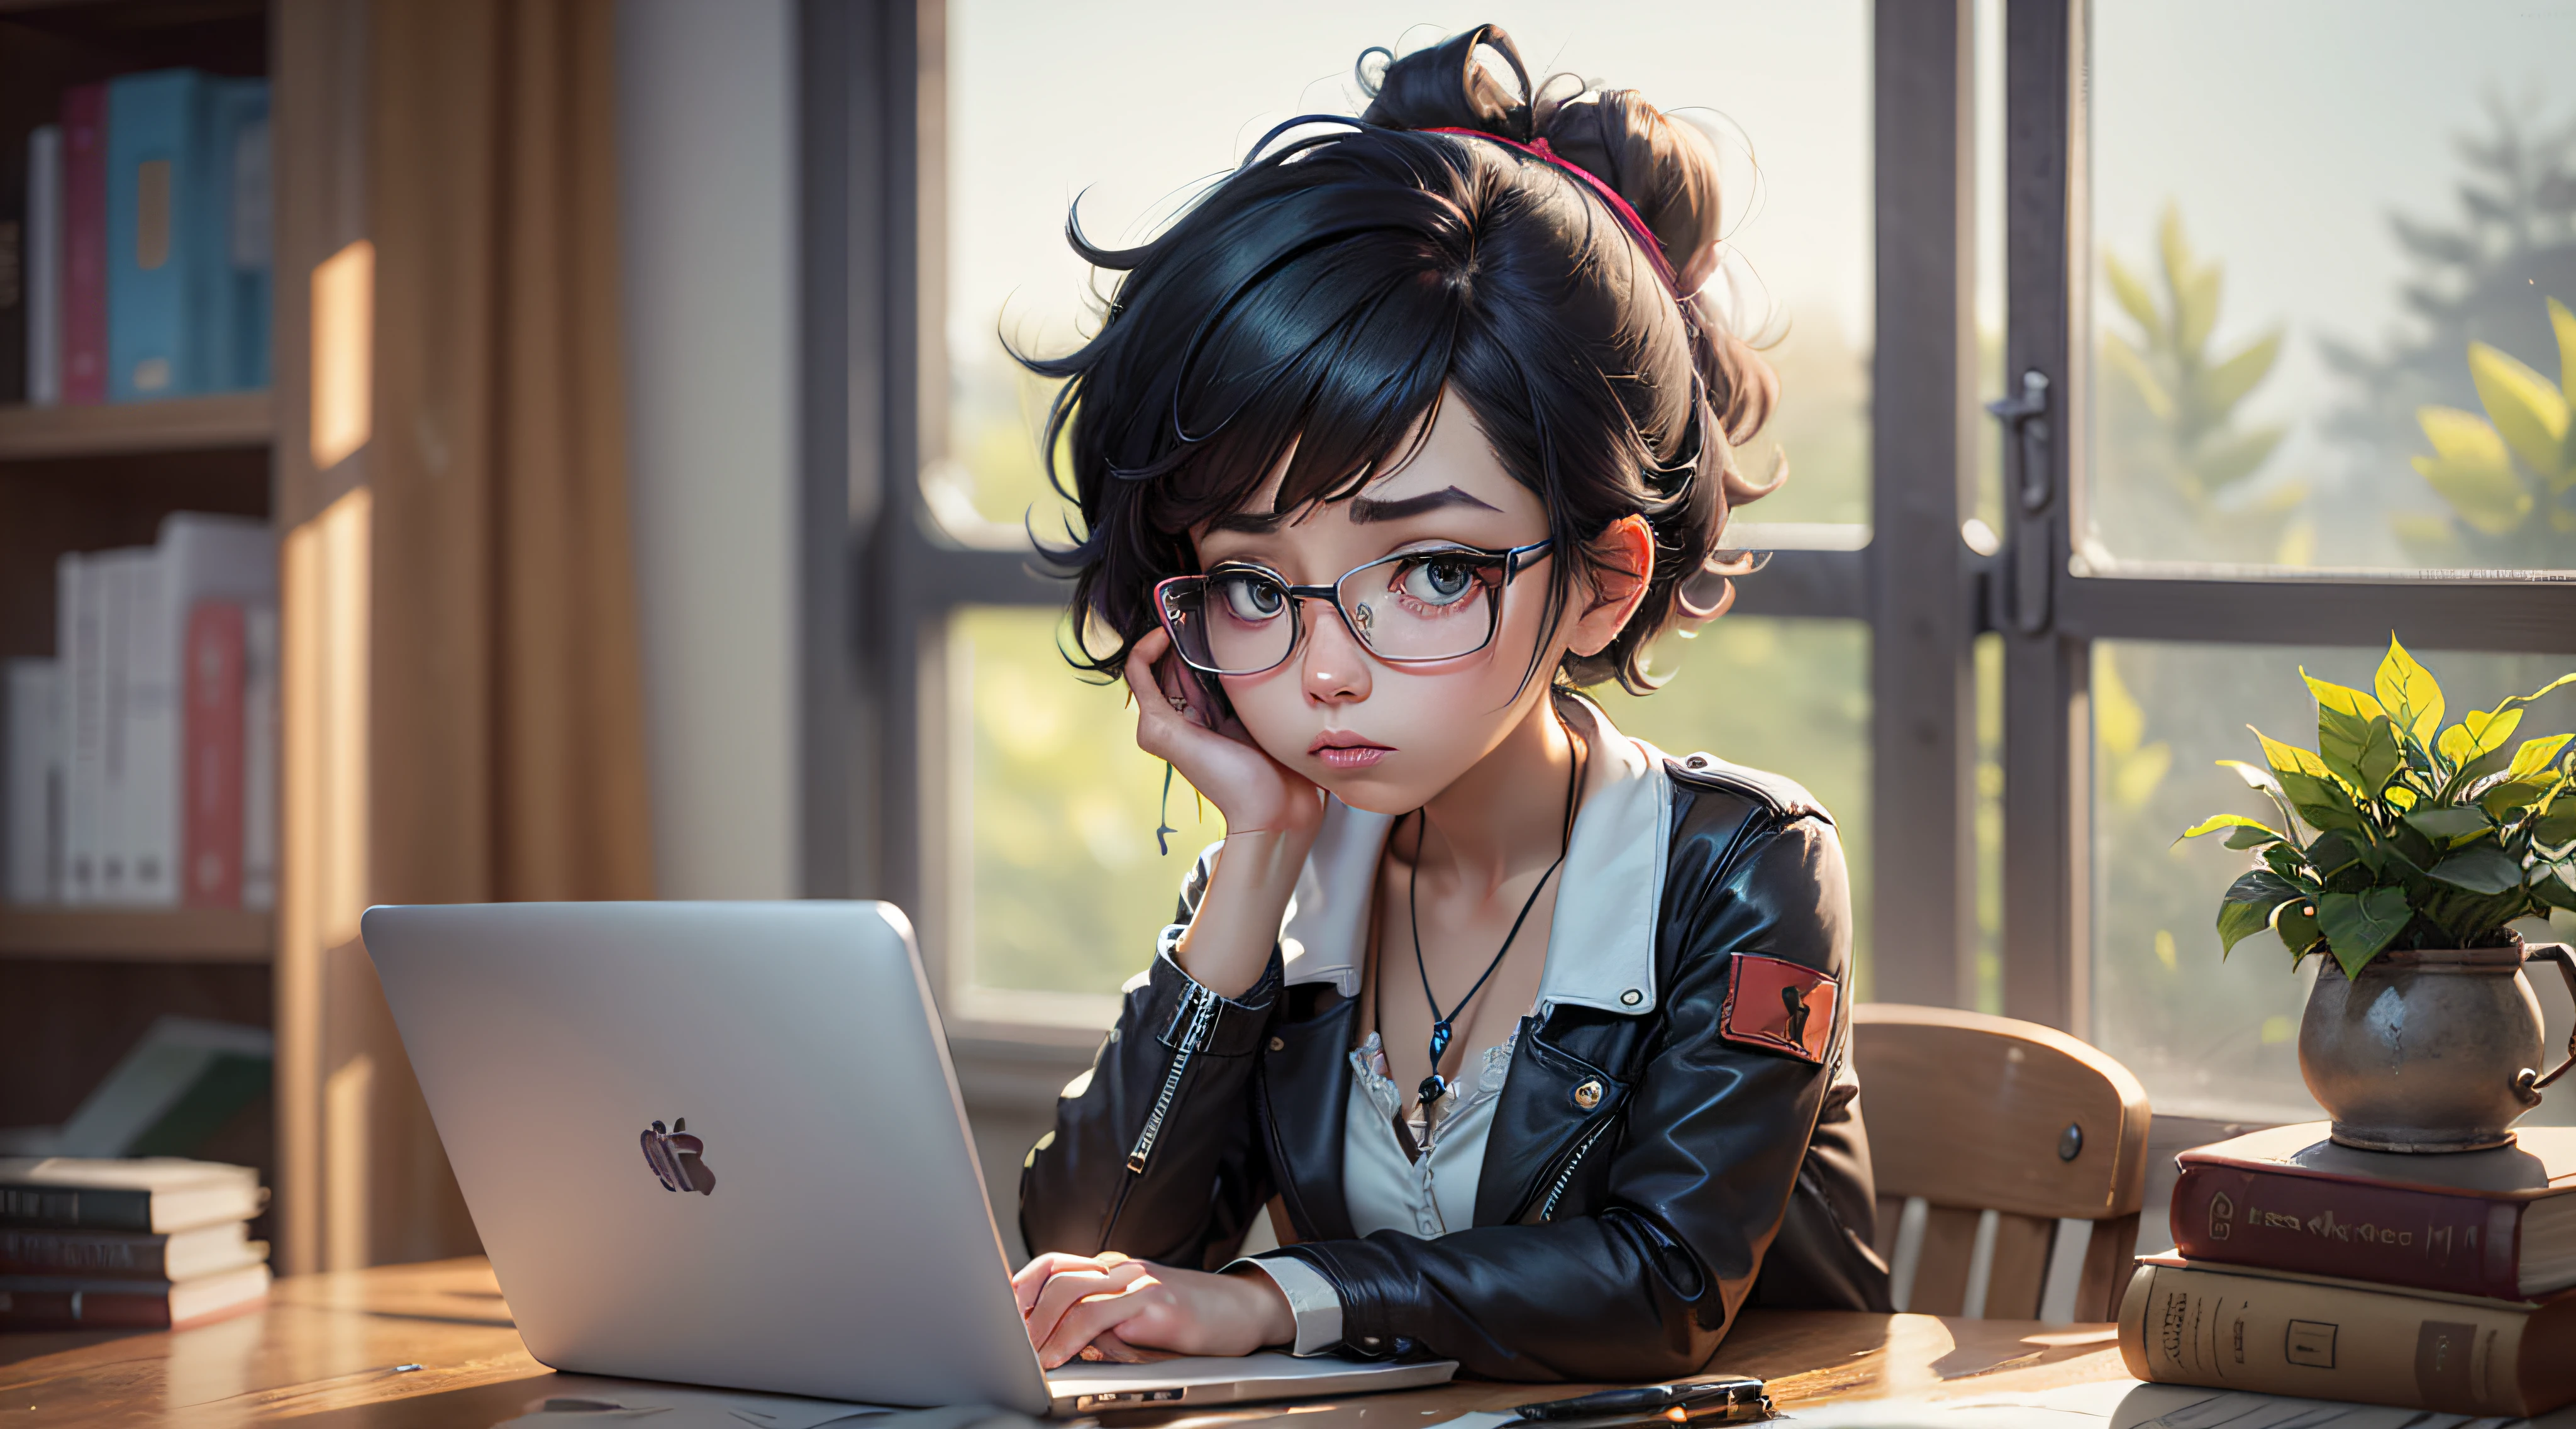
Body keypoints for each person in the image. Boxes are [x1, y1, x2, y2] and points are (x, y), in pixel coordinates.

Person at [1011, 25, 1890, 1383]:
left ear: (1600, 584)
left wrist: (1276, 1294)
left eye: (1426, 568)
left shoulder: (1749, 869)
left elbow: (1662, 1282)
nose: (1321, 669)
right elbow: (1086, 1254)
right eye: (1252, 581)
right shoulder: (1294, 867)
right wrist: (1249, 859)